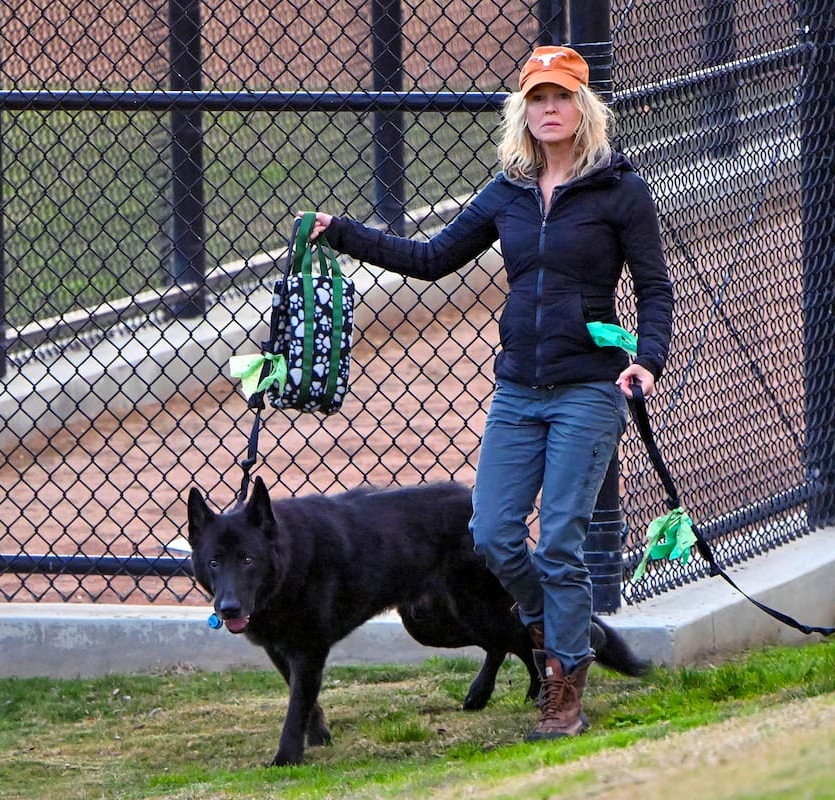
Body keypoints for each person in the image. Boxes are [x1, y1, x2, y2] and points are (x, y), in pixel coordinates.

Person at [298, 44, 673, 740]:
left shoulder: (622, 192)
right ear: (522, 110)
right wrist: (343, 234)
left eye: (562, 97)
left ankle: (563, 690)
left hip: (588, 389)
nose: (550, 110)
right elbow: (433, 259)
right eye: (538, 99)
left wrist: (646, 360)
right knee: (495, 536)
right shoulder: (507, 192)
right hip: (518, 393)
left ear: (584, 108)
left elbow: (654, 287)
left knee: (559, 542)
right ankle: (556, 629)